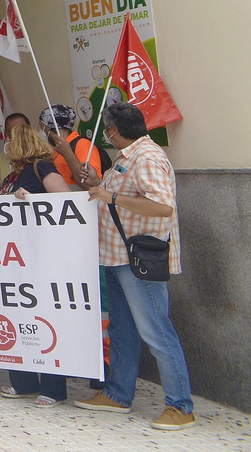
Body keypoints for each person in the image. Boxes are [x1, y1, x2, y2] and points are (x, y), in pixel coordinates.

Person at [74, 102, 194, 431]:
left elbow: (162, 206)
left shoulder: (147, 157)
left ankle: (180, 406)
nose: (107, 135)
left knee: (157, 332)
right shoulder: (127, 157)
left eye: (107, 130)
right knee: (122, 330)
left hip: (138, 261)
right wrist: (99, 182)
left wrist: (110, 198)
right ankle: (117, 394)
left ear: (114, 130)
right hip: (116, 257)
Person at [0, 124, 71, 405]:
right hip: (16, 256)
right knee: (17, 316)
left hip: (42, 256)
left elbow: (66, 201)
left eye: (9, 140)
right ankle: (23, 382)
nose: (6, 145)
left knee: (45, 319)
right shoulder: (13, 175)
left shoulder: (41, 168)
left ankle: (53, 388)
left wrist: (33, 200)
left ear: (20, 143)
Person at [40, 105, 103, 189]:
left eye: (41, 127)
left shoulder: (83, 145)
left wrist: (68, 154)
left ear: (49, 127)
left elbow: (90, 184)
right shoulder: (56, 149)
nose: (41, 132)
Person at [0, 112, 31, 187]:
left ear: (30, 131)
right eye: (11, 131)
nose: (15, 134)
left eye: (20, 130)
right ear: (6, 134)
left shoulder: (40, 155)